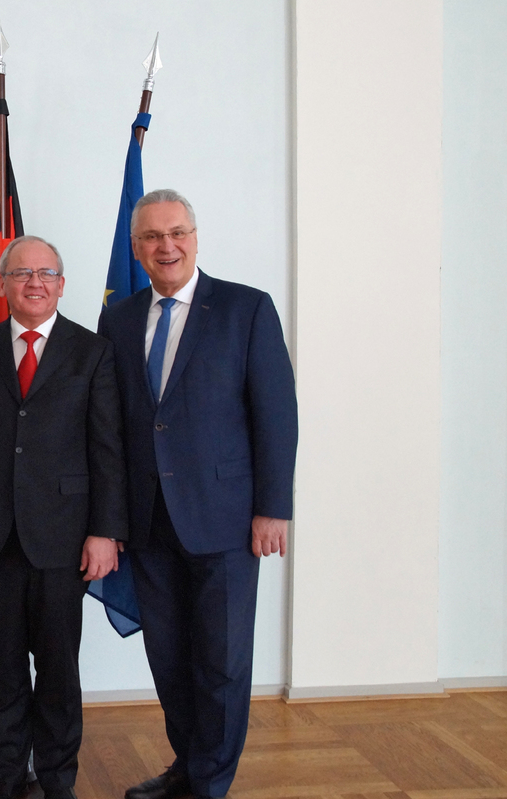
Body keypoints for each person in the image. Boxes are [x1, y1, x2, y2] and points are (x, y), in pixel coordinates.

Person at [97, 190, 298, 799]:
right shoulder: (121, 318)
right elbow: (116, 424)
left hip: (228, 522)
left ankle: (210, 785)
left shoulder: (246, 309)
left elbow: (276, 415)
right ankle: (186, 768)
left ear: (194, 236)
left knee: (222, 663)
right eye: (153, 237)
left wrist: (274, 508)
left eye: (177, 232)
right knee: (170, 660)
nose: (167, 246)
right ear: (136, 248)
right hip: (150, 523)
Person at [0, 235, 128, 799]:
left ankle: (58, 781)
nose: (34, 282)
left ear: (61, 283)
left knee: (58, 672)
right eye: (22, 273)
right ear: (2, 284)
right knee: (3, 671)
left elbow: (107, 448)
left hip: (65, 539)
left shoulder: (92, 351)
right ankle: (7, 779)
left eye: (46, 273)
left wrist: (105, 530)